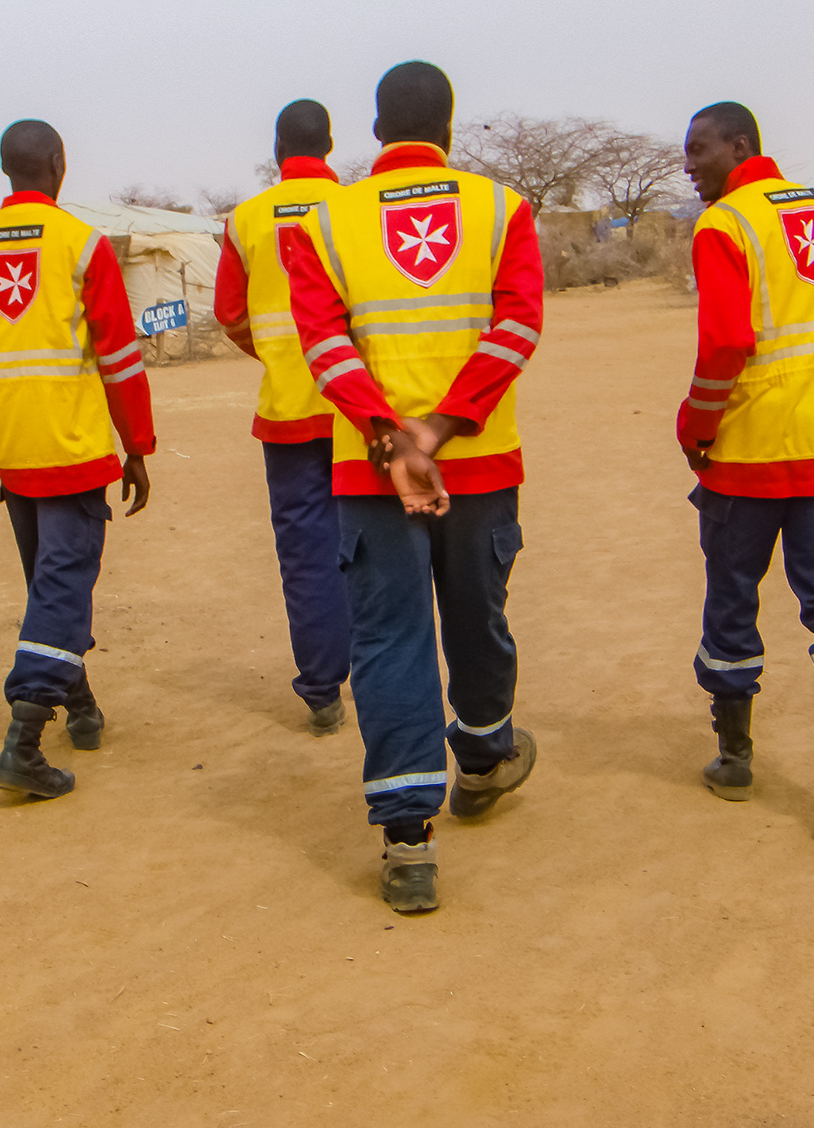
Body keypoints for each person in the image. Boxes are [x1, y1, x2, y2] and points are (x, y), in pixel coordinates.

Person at [283, 61, 543, 912]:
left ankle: (406, 841)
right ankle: (480, 757)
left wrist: (388, 435)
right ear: (451, 128)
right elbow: (518, 325)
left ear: (375, 129)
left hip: (369, 471)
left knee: (390, 640)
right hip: (477, 462)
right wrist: (440, 429)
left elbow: (323, 347)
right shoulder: (501, 209)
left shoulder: (324, 220)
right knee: (477, 618)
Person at [677, 101, 814, 839]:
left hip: (755, 446)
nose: (690, 164)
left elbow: (726, 342)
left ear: (741, 145)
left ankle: (735, 758)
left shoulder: (725, 224)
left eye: (700, 148)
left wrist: (695, 426)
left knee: (733, 594)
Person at [0, 119, 156, 799]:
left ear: (7, 169)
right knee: (62, 588)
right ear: (59, 165)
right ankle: (24, 740)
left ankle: (82, 708)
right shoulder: (81, 245)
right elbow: (120, 359)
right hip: (71, 445)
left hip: (8, 448)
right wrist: (138, 447)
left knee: (49, 589)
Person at [214, 100, 352, 737]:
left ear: (277, 150)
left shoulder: (244, 220)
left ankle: (322, 689)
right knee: (374, 545)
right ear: (329, 144)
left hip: (288, 413)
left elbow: (230, 314)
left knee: (304, 552)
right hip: (362, 414)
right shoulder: (357, 207)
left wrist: (275, 356)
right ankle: (381, 674)